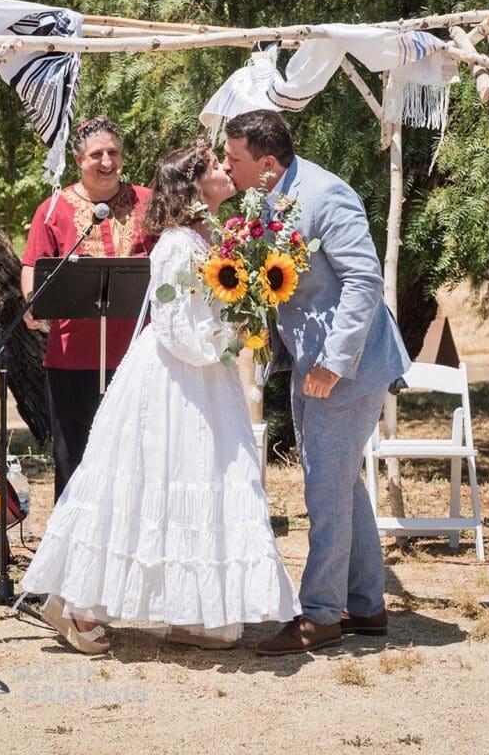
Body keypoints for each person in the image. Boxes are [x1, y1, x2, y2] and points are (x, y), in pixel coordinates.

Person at [21, 139, 301, 654]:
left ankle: (192, 610)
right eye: (215, 164)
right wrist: (230, 338)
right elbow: (174, 326)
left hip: (203, 379)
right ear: (194, 185)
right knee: (145, 482)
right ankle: (74, 603)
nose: (226, 169)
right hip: (174, 379)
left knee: (199, 482)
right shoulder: (175, 245)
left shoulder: (211, 236)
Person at [223, 110, 410, 656]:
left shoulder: (327, 195)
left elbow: (364, 280)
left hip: (347, 368)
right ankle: (366, 605)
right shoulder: (268, 195)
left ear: (267, 162)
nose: (227, 167)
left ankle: (322, 615)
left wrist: (334, 361)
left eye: (233, 159)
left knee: (325, 487)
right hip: (310, 366)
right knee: (340, 483)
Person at [21, 116, 155, 499]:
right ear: (79, 160)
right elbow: (32, 265)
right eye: (97, 154)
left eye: (114, 152)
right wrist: (32, 303)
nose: (107, 161)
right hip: (72, 356)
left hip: (138, 356)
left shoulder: (148, 202)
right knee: (74, 456)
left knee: (136, 457)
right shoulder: (53, 209)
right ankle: (72, 530)